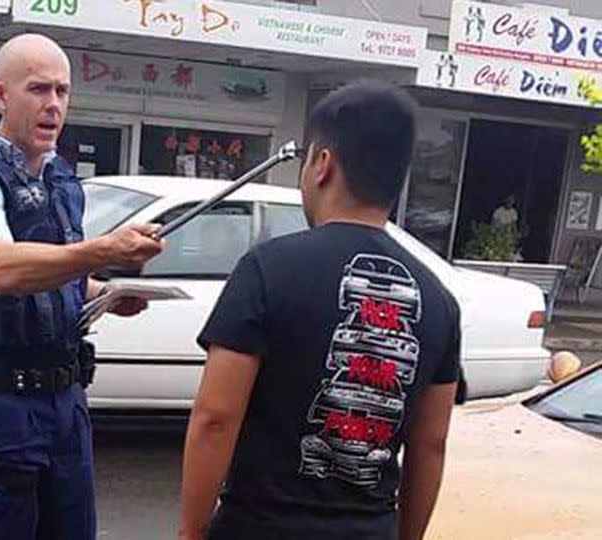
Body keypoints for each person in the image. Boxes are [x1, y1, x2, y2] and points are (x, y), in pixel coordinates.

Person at [179, 80, 461, 540]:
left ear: (322, 164)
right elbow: (431, 444)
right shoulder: (437, 300)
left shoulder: (267, 269)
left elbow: (215, 418)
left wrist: (190, 533)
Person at [0, 33, 163, 540]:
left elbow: (57, 276)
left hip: (66, 404)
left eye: (62, 91)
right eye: (38, 89)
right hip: (0, 408)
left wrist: (103, 293)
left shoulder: (61, 182)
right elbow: (3, 269)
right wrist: (103, 250)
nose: (53, 105)